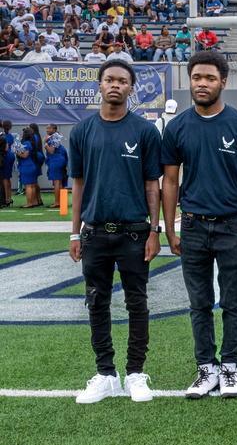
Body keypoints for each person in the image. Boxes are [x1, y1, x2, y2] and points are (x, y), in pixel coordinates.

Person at [161, 51, 237, 400]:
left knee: (233, 301)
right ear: (189, 81)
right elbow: (171, 182)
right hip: (192, 225)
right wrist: (170, 229)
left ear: (223, 81)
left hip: (232, 224)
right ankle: (206, 368)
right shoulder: (177, 127)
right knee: (199, 302)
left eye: (209, 78)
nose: (202, 84)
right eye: (196, 78)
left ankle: (231, 368)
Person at [69, 60, 162, 404]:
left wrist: (155, 230)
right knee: (97, 303)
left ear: (130, 88)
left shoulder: (145, 131)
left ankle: (136, 373)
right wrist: (74, 233)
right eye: (109, 79)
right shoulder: (81, 131)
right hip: (94, 233)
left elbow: (152, 184)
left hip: (135, 232)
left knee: (137, 303)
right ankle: (106, 374)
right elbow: (77, 184)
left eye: (122, 81)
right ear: (99, 84)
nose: (115, 85)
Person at [15, 126, 45, 207]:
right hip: (32, 165)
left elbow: (25, 155)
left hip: (27, 166)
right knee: (32, 185)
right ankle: (34, 201)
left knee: (28, 186)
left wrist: (16, 152)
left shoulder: (26, 143)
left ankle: (29, 203)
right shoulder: (33, 143)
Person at [44, 124, 68, 208]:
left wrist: (45, 143)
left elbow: (51, 151)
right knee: (59, 182)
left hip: (55, 160)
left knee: (57, 182)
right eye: (46, 128)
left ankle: (57, 202)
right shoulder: (55, 137)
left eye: (49, 128)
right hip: (59, 160)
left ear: (54, 129)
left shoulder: (54, 138)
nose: (47, 130)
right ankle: (61, 201)